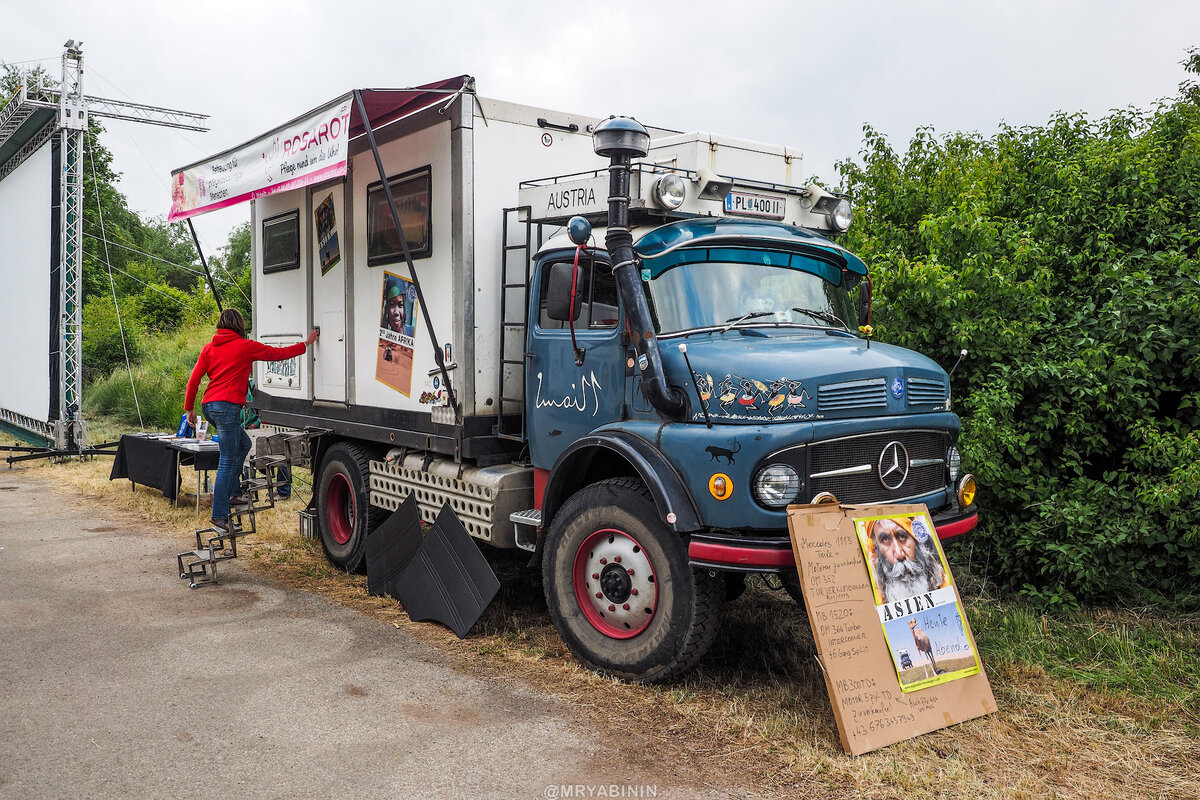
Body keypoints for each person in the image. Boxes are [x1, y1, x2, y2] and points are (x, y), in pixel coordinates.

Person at [184, 309, 318, 533]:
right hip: (227, 408)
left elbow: (194, 380)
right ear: (239, 325)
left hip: (210, 406)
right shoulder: (244, 346)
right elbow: (279, 354)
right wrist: (306, 343)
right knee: (227, 459)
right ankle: (219, 516)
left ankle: (235, 493)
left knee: (244, 445)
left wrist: (189, 408)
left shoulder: (209, 348)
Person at [867, 517, 945, 603]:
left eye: (902, 536)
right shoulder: (873, 601)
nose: (899, 554)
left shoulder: (945, 586)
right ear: (877, 550)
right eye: (885, 539)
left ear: (916, 542)